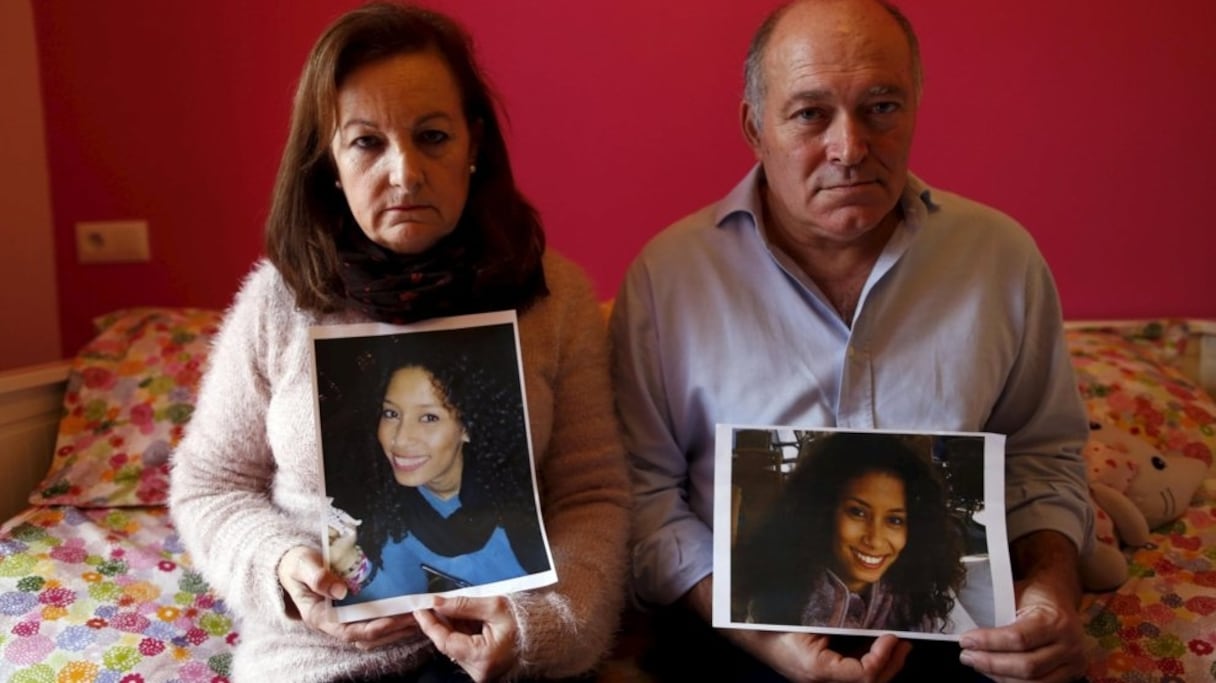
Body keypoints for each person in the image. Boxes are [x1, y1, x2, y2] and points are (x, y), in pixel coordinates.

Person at [609, 0, 1093, 681]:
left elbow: (1042, 460)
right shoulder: (670, 277)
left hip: (963, 638)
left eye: (882, 107)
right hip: (739, 633)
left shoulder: (1000, 259)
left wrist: (1048, 593)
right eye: (810, 114)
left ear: (916, 108)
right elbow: (644, 494)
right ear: (755, 126)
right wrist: (767, 638)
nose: (851, 147)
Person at [168, 2, 631, 681]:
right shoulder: (278, 301)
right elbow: (209, 485)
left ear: (474, 143)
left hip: (506, 656)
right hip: (321, 656)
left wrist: (541, 628)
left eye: (433, 136)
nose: (406, 173)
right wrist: (283, 567)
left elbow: (592, 495)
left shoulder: (552, 297)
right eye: (366, 142)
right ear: (327, 157)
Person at [320, 334, 548, 603]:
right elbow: (402, 602)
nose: (400, 439)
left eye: (429, 418)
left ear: (467, 427)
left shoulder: (520, 495)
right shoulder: (396, 514)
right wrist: (348, 561)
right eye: (391, 414)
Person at [732, 431, 972, 634]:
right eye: (857, 512)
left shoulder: (924, 595)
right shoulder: (776, 592)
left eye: (895, 520)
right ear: (824, 510)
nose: (875, 538)